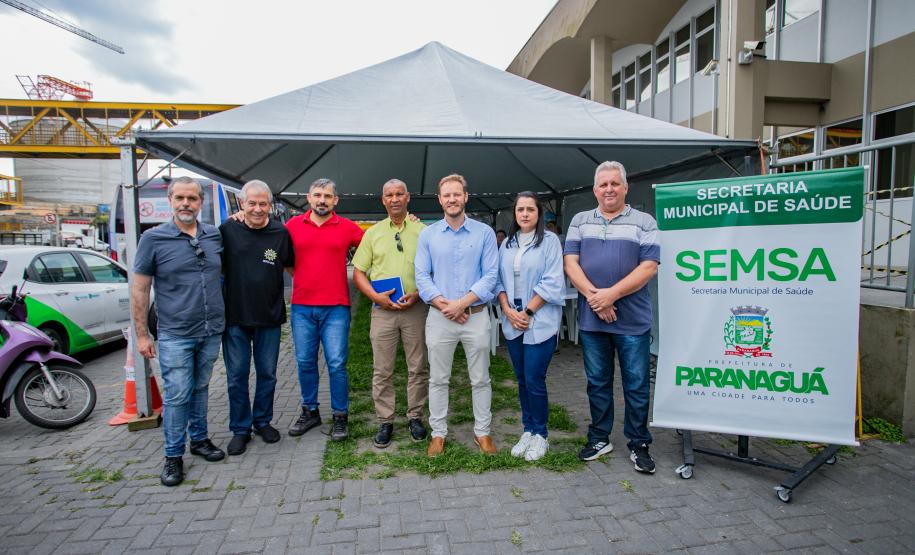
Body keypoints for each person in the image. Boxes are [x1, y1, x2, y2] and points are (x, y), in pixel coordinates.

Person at [563, 161, 660, 474]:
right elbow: (570, 263)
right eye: (603, 184)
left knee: (636, 384)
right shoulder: (580, 220)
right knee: (597, 382)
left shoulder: (644, 222)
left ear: (625, 187)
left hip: (632, 321)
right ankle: (599, 437)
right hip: (594, 320)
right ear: (595, 190)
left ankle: (638, 443)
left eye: (614, 184)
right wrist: (597, 298)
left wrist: (610, 295)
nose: (608, 189)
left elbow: (649, 267)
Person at [131, 176, 226, 487]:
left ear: (201, 203)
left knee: (200, 388)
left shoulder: (213, 236)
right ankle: (173, 457)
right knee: (177, 395)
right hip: (175, 332)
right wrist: (142, 335)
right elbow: (141, 289)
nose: (186, 204)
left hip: (211, 329)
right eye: (180, 198)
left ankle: (199, 440)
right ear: (170, 201)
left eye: (193, 199)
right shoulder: (153, 240)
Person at [415, 173, 499, 457]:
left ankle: (482, 432)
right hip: (440, 318)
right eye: (446, 195)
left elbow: (490, 276)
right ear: (440, 200)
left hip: (475, 316)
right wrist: (446, 306)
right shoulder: (428, 235)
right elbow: (422, 276)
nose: (452, 199)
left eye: (457, 194)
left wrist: (461, 304)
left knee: (481, 378)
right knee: (438, 379)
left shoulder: (484, 233)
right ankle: (438, 434)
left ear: (465, 196)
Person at [351, 179, 429, 448]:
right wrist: (374, 296)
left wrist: (419, 293)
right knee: (382, 370)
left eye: (399, 194)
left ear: (407, 197)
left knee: (417, 367)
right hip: (382, 310)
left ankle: (415, 417)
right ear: (382, 200)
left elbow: (433, 270)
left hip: (415, 308)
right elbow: (359, 272)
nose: (394, 199)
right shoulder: (372, 234)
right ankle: (385, 421)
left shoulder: (423, 231)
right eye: (389, 195)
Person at [285, 178, 364, 441]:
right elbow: (277, 255)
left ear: (335, 201)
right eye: (317, 195)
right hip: (302, 307)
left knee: (337, 364)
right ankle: (310, 411)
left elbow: (375, 246)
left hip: (336, 308)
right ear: (308, 198)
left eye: (327, 196)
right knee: (305, 361)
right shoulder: (292, 226)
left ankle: (340, 416)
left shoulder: (347, 227)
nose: (322, 200)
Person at [220, 180, 294, 456]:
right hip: (235, 318)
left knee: (268, 375)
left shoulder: (279, 232)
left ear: (270, 205)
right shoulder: (227, 230)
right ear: (242, 204)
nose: (258, 208)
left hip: (270, 317)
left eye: (263, 203)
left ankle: (263, 421)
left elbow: (290, 265)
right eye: (252, 203)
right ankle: (240, 428)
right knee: (236, 376)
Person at [495, 192, 564, 461]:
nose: (525, 214)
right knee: (521, 378)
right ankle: (528, 429)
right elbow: (498, 280)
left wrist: (528, 310)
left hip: (539, 317)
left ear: (539, 214)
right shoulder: (508, 244)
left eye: (530, 210)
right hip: (513, 317)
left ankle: (541, 435)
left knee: (535, 379)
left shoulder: (550, 243)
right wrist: (507, 309)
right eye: (520, 210)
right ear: (515, 214)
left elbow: (552, 280)